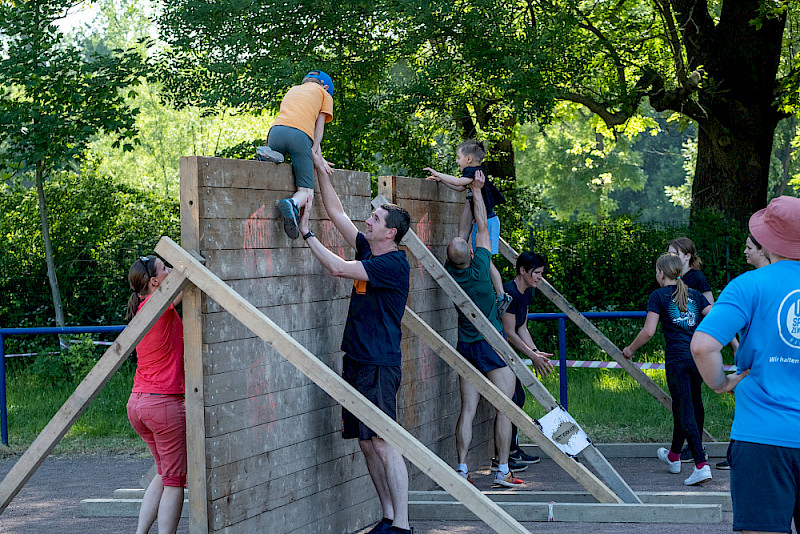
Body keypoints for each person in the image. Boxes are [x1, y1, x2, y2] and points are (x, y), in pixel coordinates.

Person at [297, 172, 412, 534]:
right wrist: (317, 166)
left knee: (382, 440)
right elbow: (337, 212)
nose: (369, 220)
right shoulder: (370, 249)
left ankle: (403, 525)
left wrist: (306, 232)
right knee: (365, 442)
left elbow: (336, 267)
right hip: (358, 360)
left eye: (376, 219)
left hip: (379, 364)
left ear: (390, 232)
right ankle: (389, 517)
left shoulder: (393, 264)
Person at [691, 196, 800, 534]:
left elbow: (704, 345)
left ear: (767, 240)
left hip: (764, 435)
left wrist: (720, 383)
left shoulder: (749, 285)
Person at [444, 170, 523, 489]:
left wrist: (468, 194)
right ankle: (502, 470)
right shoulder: (480, 266)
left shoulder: (450, 272)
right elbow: (478, 230)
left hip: (466, 345)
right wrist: (477, 192)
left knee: (468, 410)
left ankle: (461, 469)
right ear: (470, 254)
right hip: (491, 344)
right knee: (505, 406)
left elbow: (463, 234)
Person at [623, 253, 712, 486]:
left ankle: (701, 464)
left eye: (656, 270)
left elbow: (649, 331)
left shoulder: (658, 296)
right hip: (697, 360)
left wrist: (630, 349)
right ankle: (674, 456)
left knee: (684, 410)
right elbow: (715, 317)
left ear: (661, 273)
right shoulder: (695, 295)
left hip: (677, 360)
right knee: (683, 405)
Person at [125, 255, 186, 534]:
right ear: (154, 282)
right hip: (162, 404)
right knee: (174, 481)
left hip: (138, 403)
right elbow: (189, 279)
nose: (171, 270)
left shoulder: (142, 309)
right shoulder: (159, 305)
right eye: (165, 268)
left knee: (163, 473)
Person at [424, 140, 511, 314]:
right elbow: (459, 188)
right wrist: (440, 180)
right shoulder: (474, 173)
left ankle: (502, 295)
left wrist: (438, 173)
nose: (457, 161)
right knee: (481, 256)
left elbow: (457, 182)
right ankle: (499, 293)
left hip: (488, 222)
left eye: (459, 157)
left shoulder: (473, 172)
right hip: (482, 220)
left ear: (469, 158)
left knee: (487, 261)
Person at [257, 70, 334, 240]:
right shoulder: (324, 94)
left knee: (279, 158)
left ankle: (273, 155)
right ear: (326, 87)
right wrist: (314, 153)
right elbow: (317, 128)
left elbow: (294, 117)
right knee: (306, 191)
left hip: (276, 132)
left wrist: (317, 155)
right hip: (300, 137)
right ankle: (293, 203)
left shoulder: (293, 90)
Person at [497, 252, 554, 468]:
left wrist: (536, 352)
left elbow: (522, 327)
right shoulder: (509, 293)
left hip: (510, 352)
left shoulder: (528, 292)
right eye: (537, 273)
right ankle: (506, 454)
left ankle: (513, 448)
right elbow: (509, 332)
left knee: (518, 398)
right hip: (498, 351)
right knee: (513, 398)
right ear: (523, 271)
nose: (540, 277)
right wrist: (532, 356)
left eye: (541, 273)